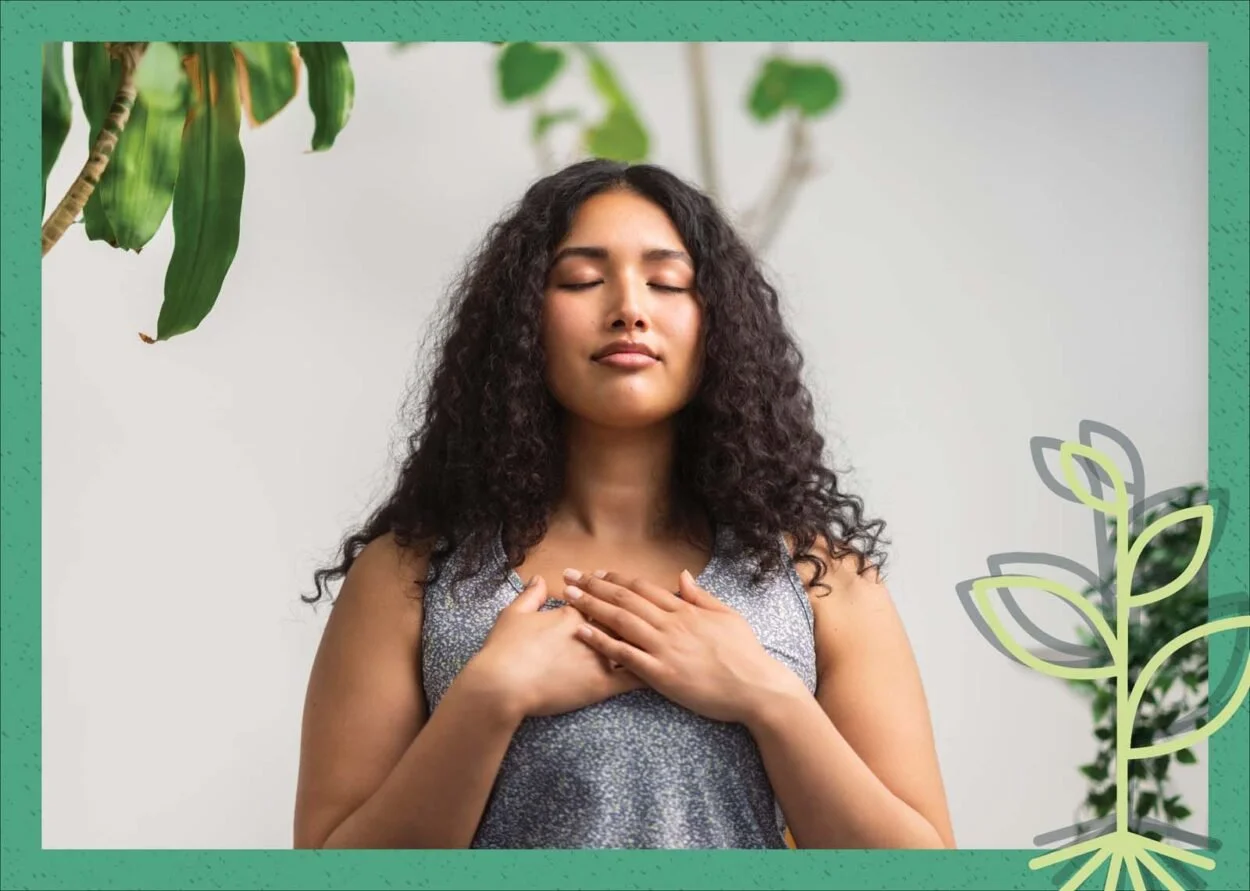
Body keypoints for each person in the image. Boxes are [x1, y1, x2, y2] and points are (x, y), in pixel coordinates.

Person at [293, 159, 955, 850]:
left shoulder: (821, 577)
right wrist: (487, 699)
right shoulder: (407, 574)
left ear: (718, 322)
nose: (629, 308)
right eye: (582, 279)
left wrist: (767, 694)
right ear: (522, 319)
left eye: (667, 281)